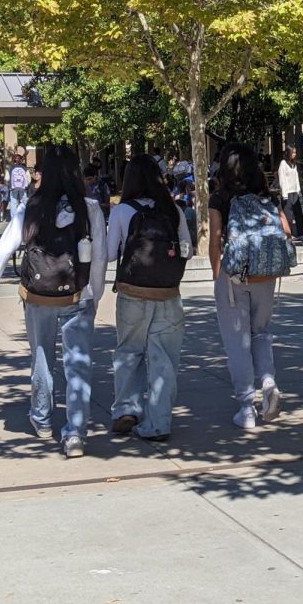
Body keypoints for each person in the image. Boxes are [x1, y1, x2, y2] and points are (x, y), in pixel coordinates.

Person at [0, 145, 107, 458]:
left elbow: (2, 252)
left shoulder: (30, 207)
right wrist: (94, 294)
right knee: (78, 366)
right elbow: (99, 259)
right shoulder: (91, 208)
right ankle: (75, 433)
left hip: (38, 297)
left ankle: (42, 419)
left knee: (41, 359)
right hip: (77, 294)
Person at [107, 154, 192, 442]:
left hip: (132, 292)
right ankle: (159, 423)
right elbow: (187, 250)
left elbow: (108, 254)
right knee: (164, 358)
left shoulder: (122, 211)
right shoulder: (173, 210)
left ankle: (126, 410)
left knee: (128, 352)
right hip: (168, 293)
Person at [208, 141, 290, 430]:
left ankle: (246, 407)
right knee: (261, 334)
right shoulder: (267, 197)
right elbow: (286, 232)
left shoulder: (220, 199)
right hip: (266, 278)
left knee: (237, 342)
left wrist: (218, 274)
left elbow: (215, 240)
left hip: (234, 277)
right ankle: (268, 383)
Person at [276, 146, 303, 237]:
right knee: (289, 216)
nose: (294, 155)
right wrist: (284, 194)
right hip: (287, 193)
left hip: (294, 192)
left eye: (295, 152)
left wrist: (298, 190)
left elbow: (296, 178)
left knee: (299, 214)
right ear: (288, 153)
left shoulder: (294, 164)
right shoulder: (283, 164)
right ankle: (289, 234)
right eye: (293, 153)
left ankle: (301, 233)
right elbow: (282, 179)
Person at [7, 152, 30, 220]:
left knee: (13, 203)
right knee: (24, 202)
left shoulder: (10, 168)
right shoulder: (24, 168)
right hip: (23, 188)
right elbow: (28, 179)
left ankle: (13, 219)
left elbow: (6, 178)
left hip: (13, 187)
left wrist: (9, 185)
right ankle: (24, 216)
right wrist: (26, 185)